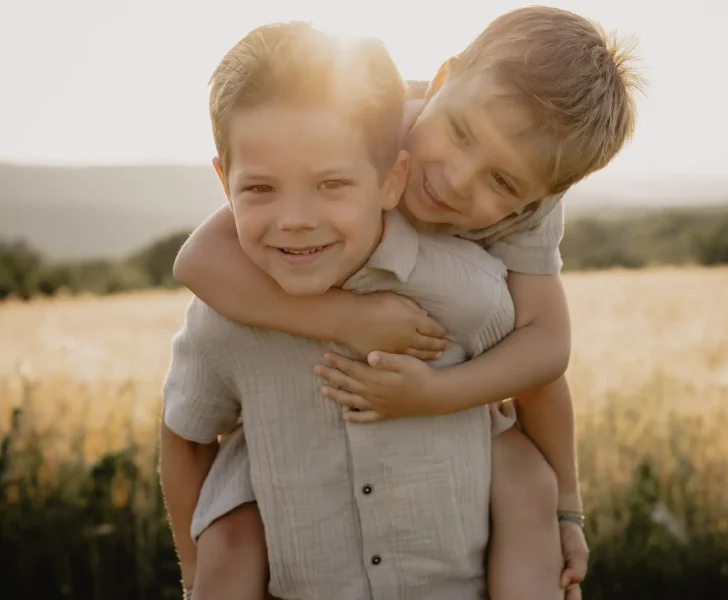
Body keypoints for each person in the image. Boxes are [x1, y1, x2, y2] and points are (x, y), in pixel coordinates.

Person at [170, 6, 642, 599]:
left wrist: (441, 401)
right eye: (461, 133)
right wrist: (347, 318)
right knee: (236, 529)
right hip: (305, 408)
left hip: (449, 410)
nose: (454, 179)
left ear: (538, 201)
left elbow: (544, 348)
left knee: (529, 482)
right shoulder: (368, 120)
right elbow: (198, 260)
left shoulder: (533, 212)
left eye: (502, 182)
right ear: (442, 79)